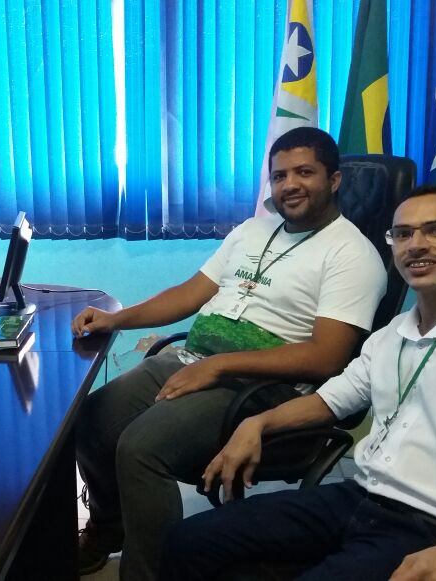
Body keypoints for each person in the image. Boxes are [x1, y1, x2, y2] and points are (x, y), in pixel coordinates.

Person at [161, 185, 436, 580]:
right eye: (402, 234)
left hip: (433, 525)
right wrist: (258, 424)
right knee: (189, 541)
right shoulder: (392, 334)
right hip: (357, 497)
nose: (415, 244)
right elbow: (331, 400)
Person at [72, 127, 387, 579]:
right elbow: (189, 294)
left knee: (142, 448)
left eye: (304, 173)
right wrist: (116, 319)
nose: (290, 185)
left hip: (263, 389)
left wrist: (219, 367)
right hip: (192, 362)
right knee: (90, 420)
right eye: (280, 176)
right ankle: (109, 527)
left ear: (334, 180)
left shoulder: (352, 254)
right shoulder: (253, 229)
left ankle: (153, 574)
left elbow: (326, 358)